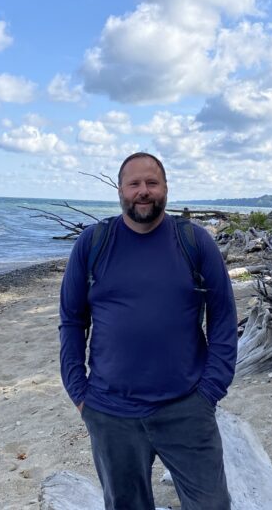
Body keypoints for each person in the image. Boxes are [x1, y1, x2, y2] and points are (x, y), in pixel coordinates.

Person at [59, 152, 238, 510]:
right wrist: (79, 393)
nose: (144, 191)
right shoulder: (93, 244)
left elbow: (223, 318)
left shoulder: (194, 242)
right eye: (134, 184)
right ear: (121, 190)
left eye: (152, 183)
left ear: (166, 189)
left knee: (212, 505)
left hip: (186, 407)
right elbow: (72, 320)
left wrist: (211, 390)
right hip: (111, 412)